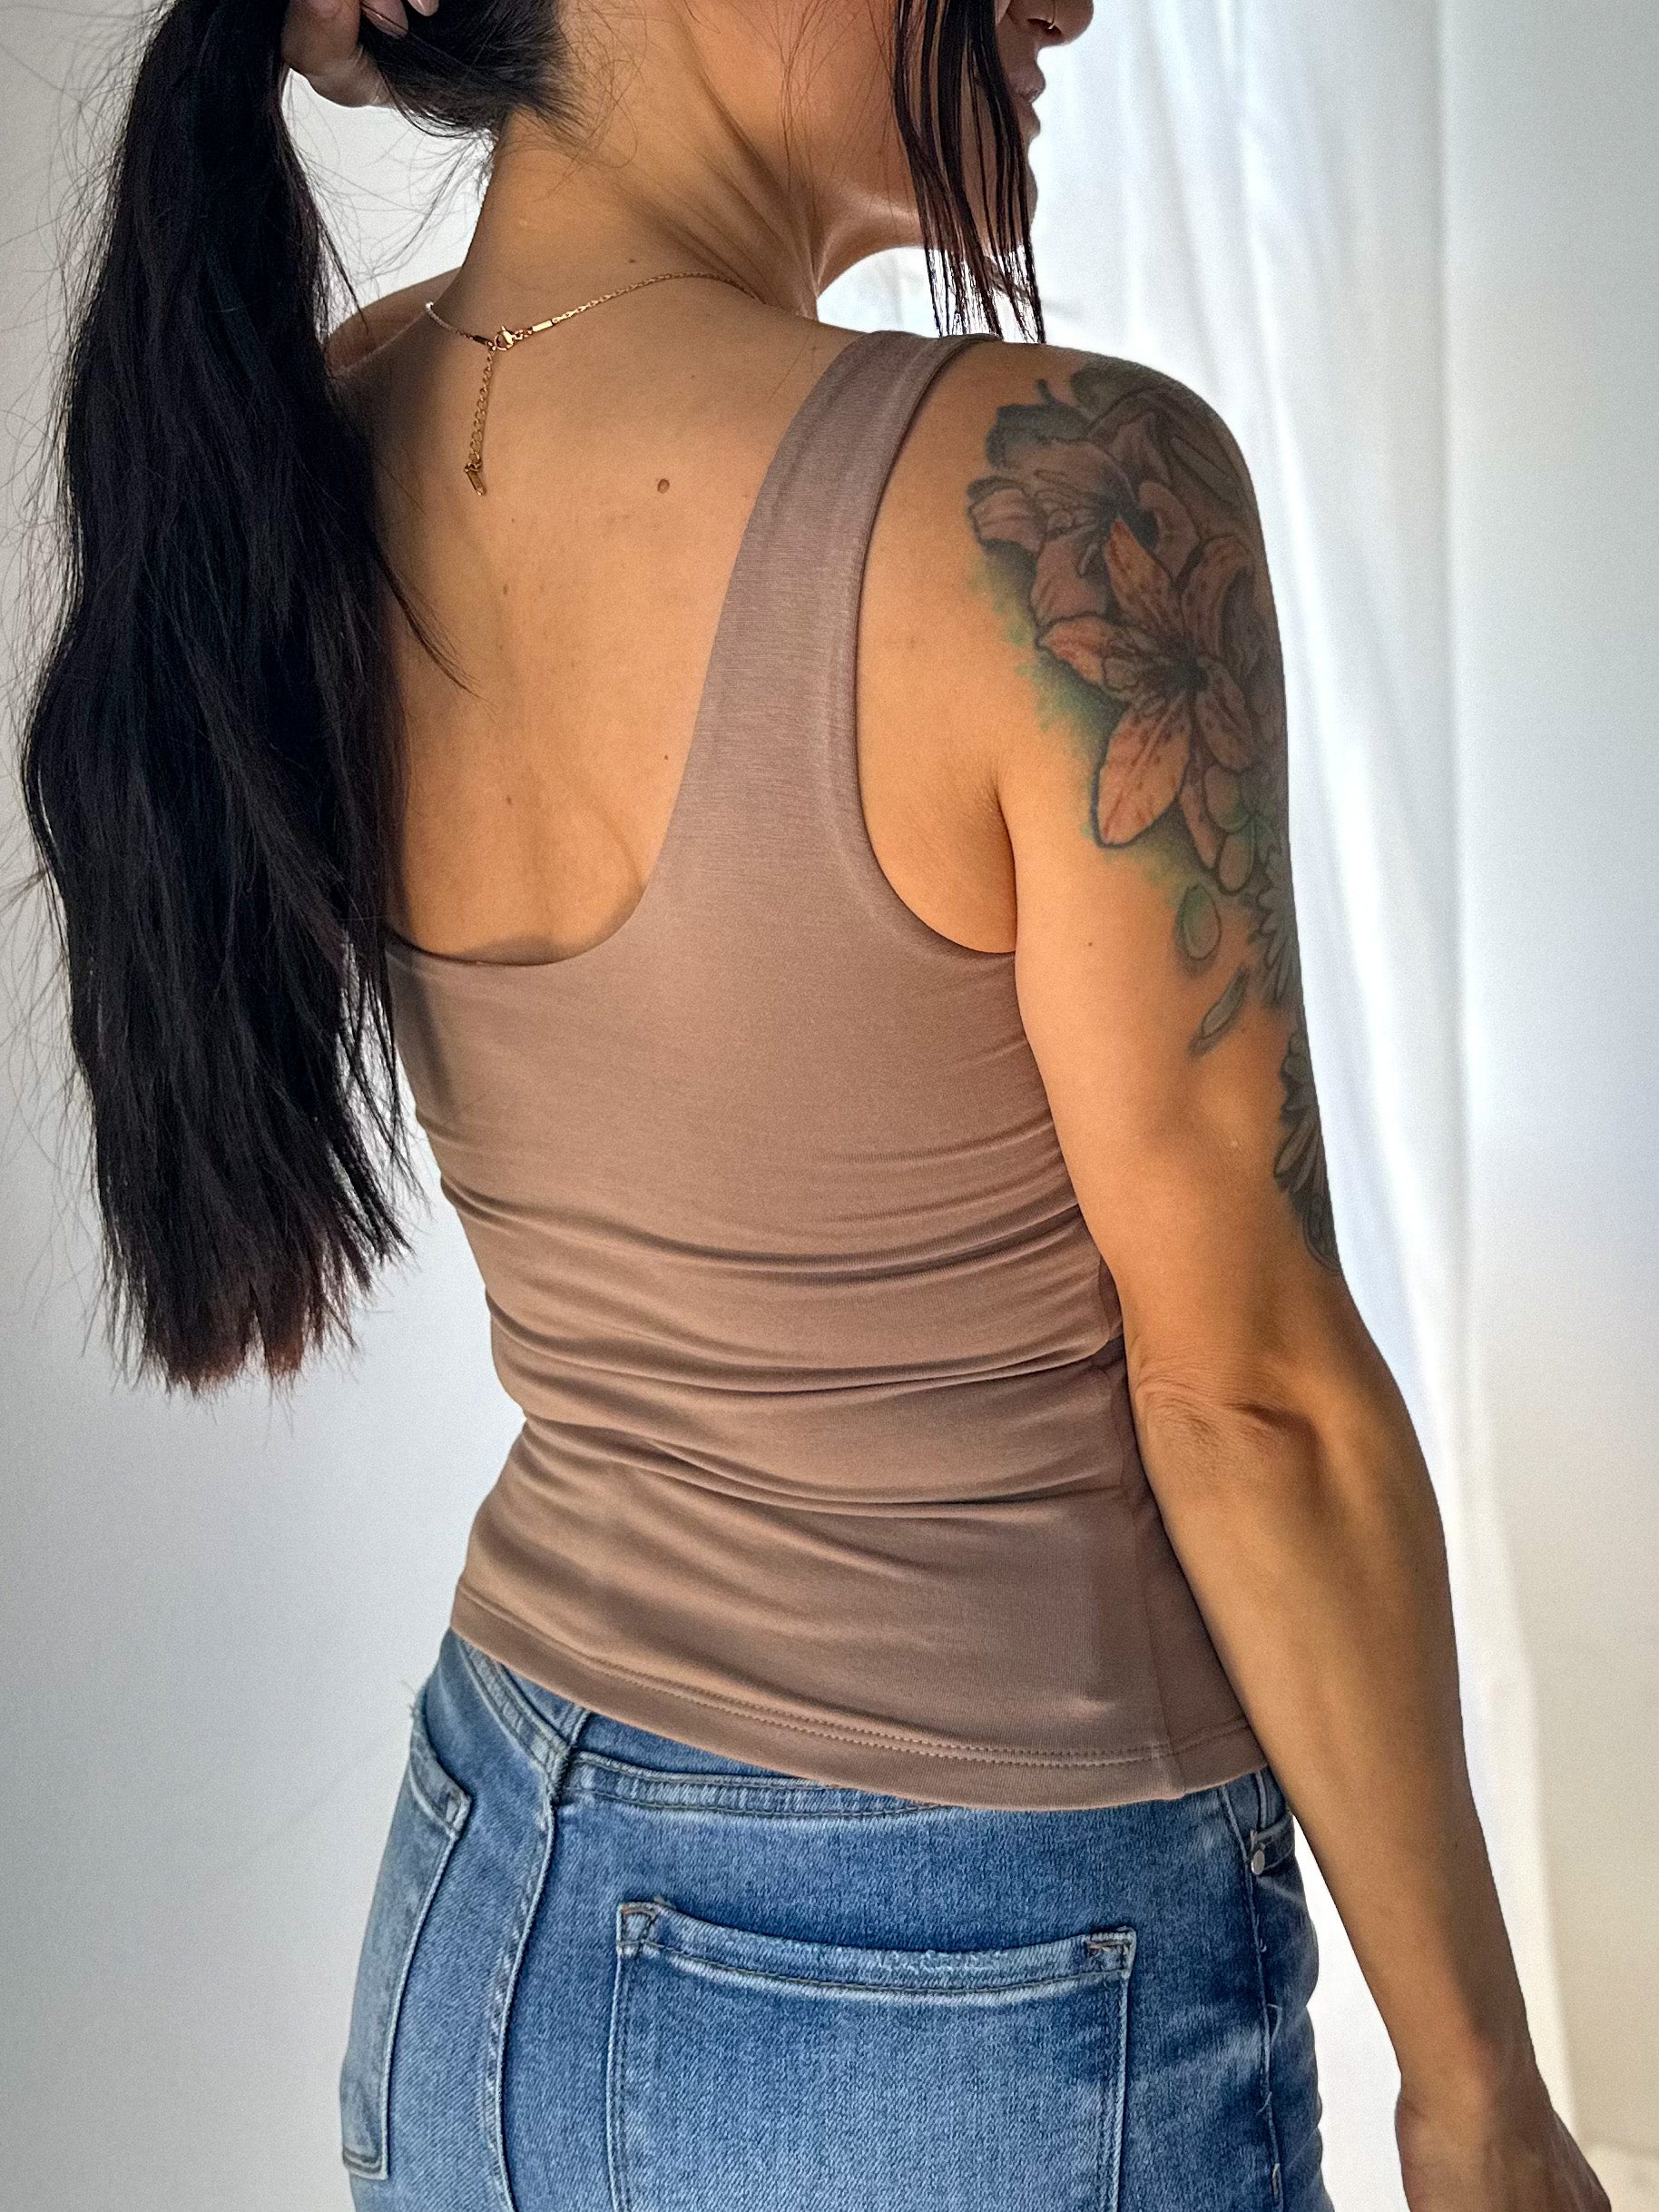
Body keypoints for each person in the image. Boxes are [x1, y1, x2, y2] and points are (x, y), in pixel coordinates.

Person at [15, 0, 1609, 2200]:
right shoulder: (1050, 500)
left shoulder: (342, 423)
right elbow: (1244, 1394)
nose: (1065, 5)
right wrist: (1476, 2090)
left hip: (489, 1892)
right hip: (969, 1979)